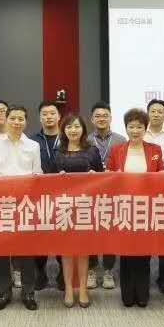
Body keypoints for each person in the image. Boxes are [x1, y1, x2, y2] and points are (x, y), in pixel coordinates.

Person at [0, 105, 43, 311]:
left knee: (27, 252)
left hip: (25, 205)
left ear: (26, 122)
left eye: (21, 119)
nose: (16, 122)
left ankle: (28, 292)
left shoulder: (33, 146)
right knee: (2, 251)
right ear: (6, 120)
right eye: (13, 118)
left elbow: (38, 174)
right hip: (1, 204)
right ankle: (5, 291)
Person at [107, 108, 164, 308]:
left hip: (146, 207)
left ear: (145, 128)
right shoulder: (117, 150)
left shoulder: (155, 150)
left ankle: (142, 293)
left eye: (139, 127)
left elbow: (161, 173)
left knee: (143, 252)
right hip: (124, 207)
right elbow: (109, 177)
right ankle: (127, 294)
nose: (135, 130)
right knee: (126, 252)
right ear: (126, 128)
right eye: (131, 127)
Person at [55, 114, 104, 308]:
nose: (73, 130)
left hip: (86, 207)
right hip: (64, 207)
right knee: (67, 251)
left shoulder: (92, 150)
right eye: (69, 127)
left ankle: (83, 289)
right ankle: (68, 289)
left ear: (83, 129)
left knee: (83, 250)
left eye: (76, 126)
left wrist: (94, 175)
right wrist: (57, 177)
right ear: (64, 130)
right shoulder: (58, 151)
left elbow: (102, 177)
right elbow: (48, 179)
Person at [86, 101, 126, 290]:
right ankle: (92, 269)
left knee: (110, 231)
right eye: (98, 116)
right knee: (91, 231)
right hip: (90, 193)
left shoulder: (121, 140)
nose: (101, 119)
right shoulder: (86, 140)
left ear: (111, 118)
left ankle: (108, 270)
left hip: (114, 193)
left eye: (105, 116)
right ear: (92, 119)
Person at [143, 99, 164, 295]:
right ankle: (144, 277)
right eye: (153, 111)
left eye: (160, 112)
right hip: (143, 193)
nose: (156, 114)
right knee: (145, 235)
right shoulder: (140, 134)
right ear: (147, 113)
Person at [30, 101, 61, 291]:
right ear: (39, 117)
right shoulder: (32, 141)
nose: (48, 117)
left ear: (59, 116)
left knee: (62, 233)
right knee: (39, 235)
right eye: (44, 114)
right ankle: (39, 272)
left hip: (63, 194)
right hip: (38, 195)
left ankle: (62, 273)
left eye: (52, 113)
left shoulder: (67, 137)